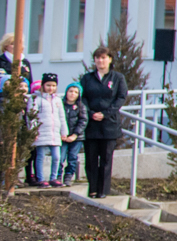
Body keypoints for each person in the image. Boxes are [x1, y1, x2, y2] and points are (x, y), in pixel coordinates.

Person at [78, 47, 127, 200]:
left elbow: (121, 97)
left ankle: (103, 190)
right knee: (91, 158)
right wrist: (91, 113)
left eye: (104, 58)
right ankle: (92, 188)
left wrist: (105, 113)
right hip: (91, 124)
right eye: (98, 58)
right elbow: (83, 97)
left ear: (110, 59)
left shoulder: (117, 77)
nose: (100, 61)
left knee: (106, 158)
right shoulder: (87, 78)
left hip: (109, 124)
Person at [29, 72, 67, 187]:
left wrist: (64, 131)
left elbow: (62, 116)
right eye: (48, 85)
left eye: (53, 85)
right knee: (40, 156)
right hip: (41, 132)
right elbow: (32, 115)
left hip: (54, 133)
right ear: (43, 85)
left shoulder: (57, 100)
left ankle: (53, 178)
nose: (51, 88)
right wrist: (33, 131)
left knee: (56, 157)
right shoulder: (36, 98)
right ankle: (40, 178)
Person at [60, 83, 86, 186]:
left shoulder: (81, 106)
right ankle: (57, 176)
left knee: (72, 157)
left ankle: (68, 176)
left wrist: (75, 134)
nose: (72, 94)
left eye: (76, 92)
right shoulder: (60, 105)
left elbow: (83, 121)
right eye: (70, 91)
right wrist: (62, 134)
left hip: (77, 138)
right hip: (62, 137)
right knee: (60, 157)